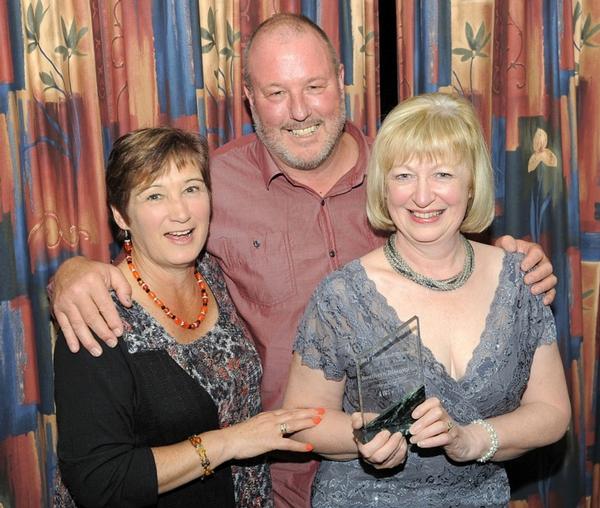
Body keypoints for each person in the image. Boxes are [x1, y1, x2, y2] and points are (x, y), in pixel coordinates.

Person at [50, 14, 558, 508]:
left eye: (313, 86)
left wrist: (507, 256)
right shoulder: (213, 187)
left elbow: (454, 238)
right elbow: (150, 252)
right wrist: (71, 275)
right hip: (268, 475)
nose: (299, 110)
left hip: (423, 467)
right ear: (250, 99)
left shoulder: (402, 177)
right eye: (276, 94)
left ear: (341, 82)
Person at [282, 93, 571, 507]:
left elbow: (552, 412)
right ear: (383, 187)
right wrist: (363, 435)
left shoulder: (520, 279)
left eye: (442, 174)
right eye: (403, 176)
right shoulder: (343, 296)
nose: (421, 197)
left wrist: (472, 440)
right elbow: (302, 420)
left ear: (472, 183)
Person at [53, 127, 322, 508]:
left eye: (191, 188)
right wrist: (231, 441)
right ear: (121, 215)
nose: (180, 212)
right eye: (155, 195)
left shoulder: (213, 273)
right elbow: (101, 482)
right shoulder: (96, 317)